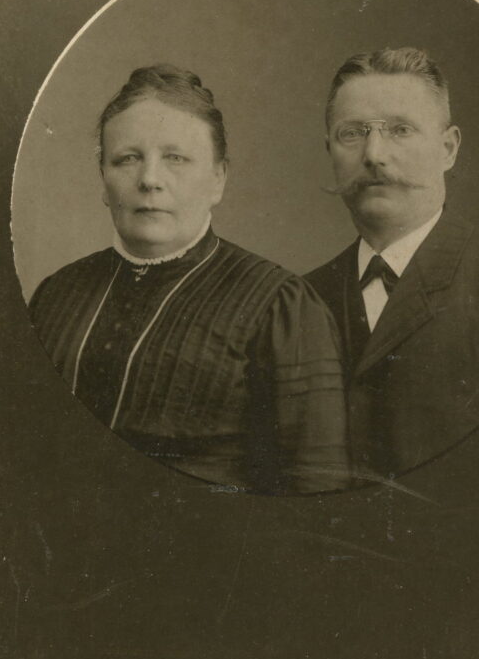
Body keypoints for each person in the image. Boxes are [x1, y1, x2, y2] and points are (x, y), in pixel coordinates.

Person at [29, 64, 351, 494]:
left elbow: (318, 491)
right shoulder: (57, 294)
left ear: (218, 178)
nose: (149, 180)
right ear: (103, 180)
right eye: (127, 159)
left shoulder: (280, 305)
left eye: (175, 158)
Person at [306, 47, 479, 481]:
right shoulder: (299, 298)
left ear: (448, 149)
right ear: (330, 149)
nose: (373, 154)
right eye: (352, 133)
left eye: (400, 130)